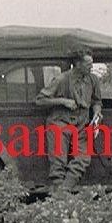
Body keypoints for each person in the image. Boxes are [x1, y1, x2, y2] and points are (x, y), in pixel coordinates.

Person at [34, 47, 102, 190]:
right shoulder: (62, 79)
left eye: (92, 63)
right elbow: (40, 100)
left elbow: (97, 101)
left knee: (83, 159)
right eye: (88, 64)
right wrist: (63, 101)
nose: (91, 66)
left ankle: (62, 193)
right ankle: (61, 197)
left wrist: (96, 112)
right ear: (77, 63)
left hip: (82, 125)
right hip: (60, 123)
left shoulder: (93, 80)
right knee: (58, 163)